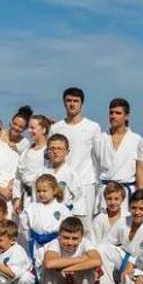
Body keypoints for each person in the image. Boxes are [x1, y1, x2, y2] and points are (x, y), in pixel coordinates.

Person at [49, 87, 101, 221]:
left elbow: (98, 158)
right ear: (64, 103)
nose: (72, 104)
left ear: (81, 103)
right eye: (69, 100)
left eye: (76, 101)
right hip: (61, 183)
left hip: (85, 183)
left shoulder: (93, 127)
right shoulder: (56, 128)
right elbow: (49, 155)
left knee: (85, 225)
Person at [38, 217, 101, 284]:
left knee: (90, 267)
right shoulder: (55, 243)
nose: (70, 242)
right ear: (60, 235)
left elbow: (97, 261)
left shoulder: (86, 243)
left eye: (75, 238)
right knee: (47, 268)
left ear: (81, 237)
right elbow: (49, 263)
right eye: (66, 237)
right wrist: (79, 259)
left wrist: (69, 268)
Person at [93, 98, 140, 214]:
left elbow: (140, 171)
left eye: (118, 113)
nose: (113, 116)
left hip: (127, 192)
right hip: (106, 191)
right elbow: (95, 168)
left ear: (127, 116)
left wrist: (139, 195)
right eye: (111, 113)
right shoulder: (100, 139)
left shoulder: (136, 140)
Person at [19, 174, 72, 275]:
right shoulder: (31, 208)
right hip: (37, 244)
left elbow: (69, 227)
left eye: (44, 191)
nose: (41, 194)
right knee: (37, 269)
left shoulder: (62, 209)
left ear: (54, 190)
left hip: (56, 244)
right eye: (38, 191)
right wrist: (30, 239)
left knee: (54, 270)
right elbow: (24, 227)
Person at [15, 114, 50, 212]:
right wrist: (17, 198)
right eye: (29, 128)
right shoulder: (26, 151)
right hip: (26, 199)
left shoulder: (49, 151)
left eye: (33, 128)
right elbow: (18, 176)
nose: (29, 131)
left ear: (43, 130)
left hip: (43, 199)